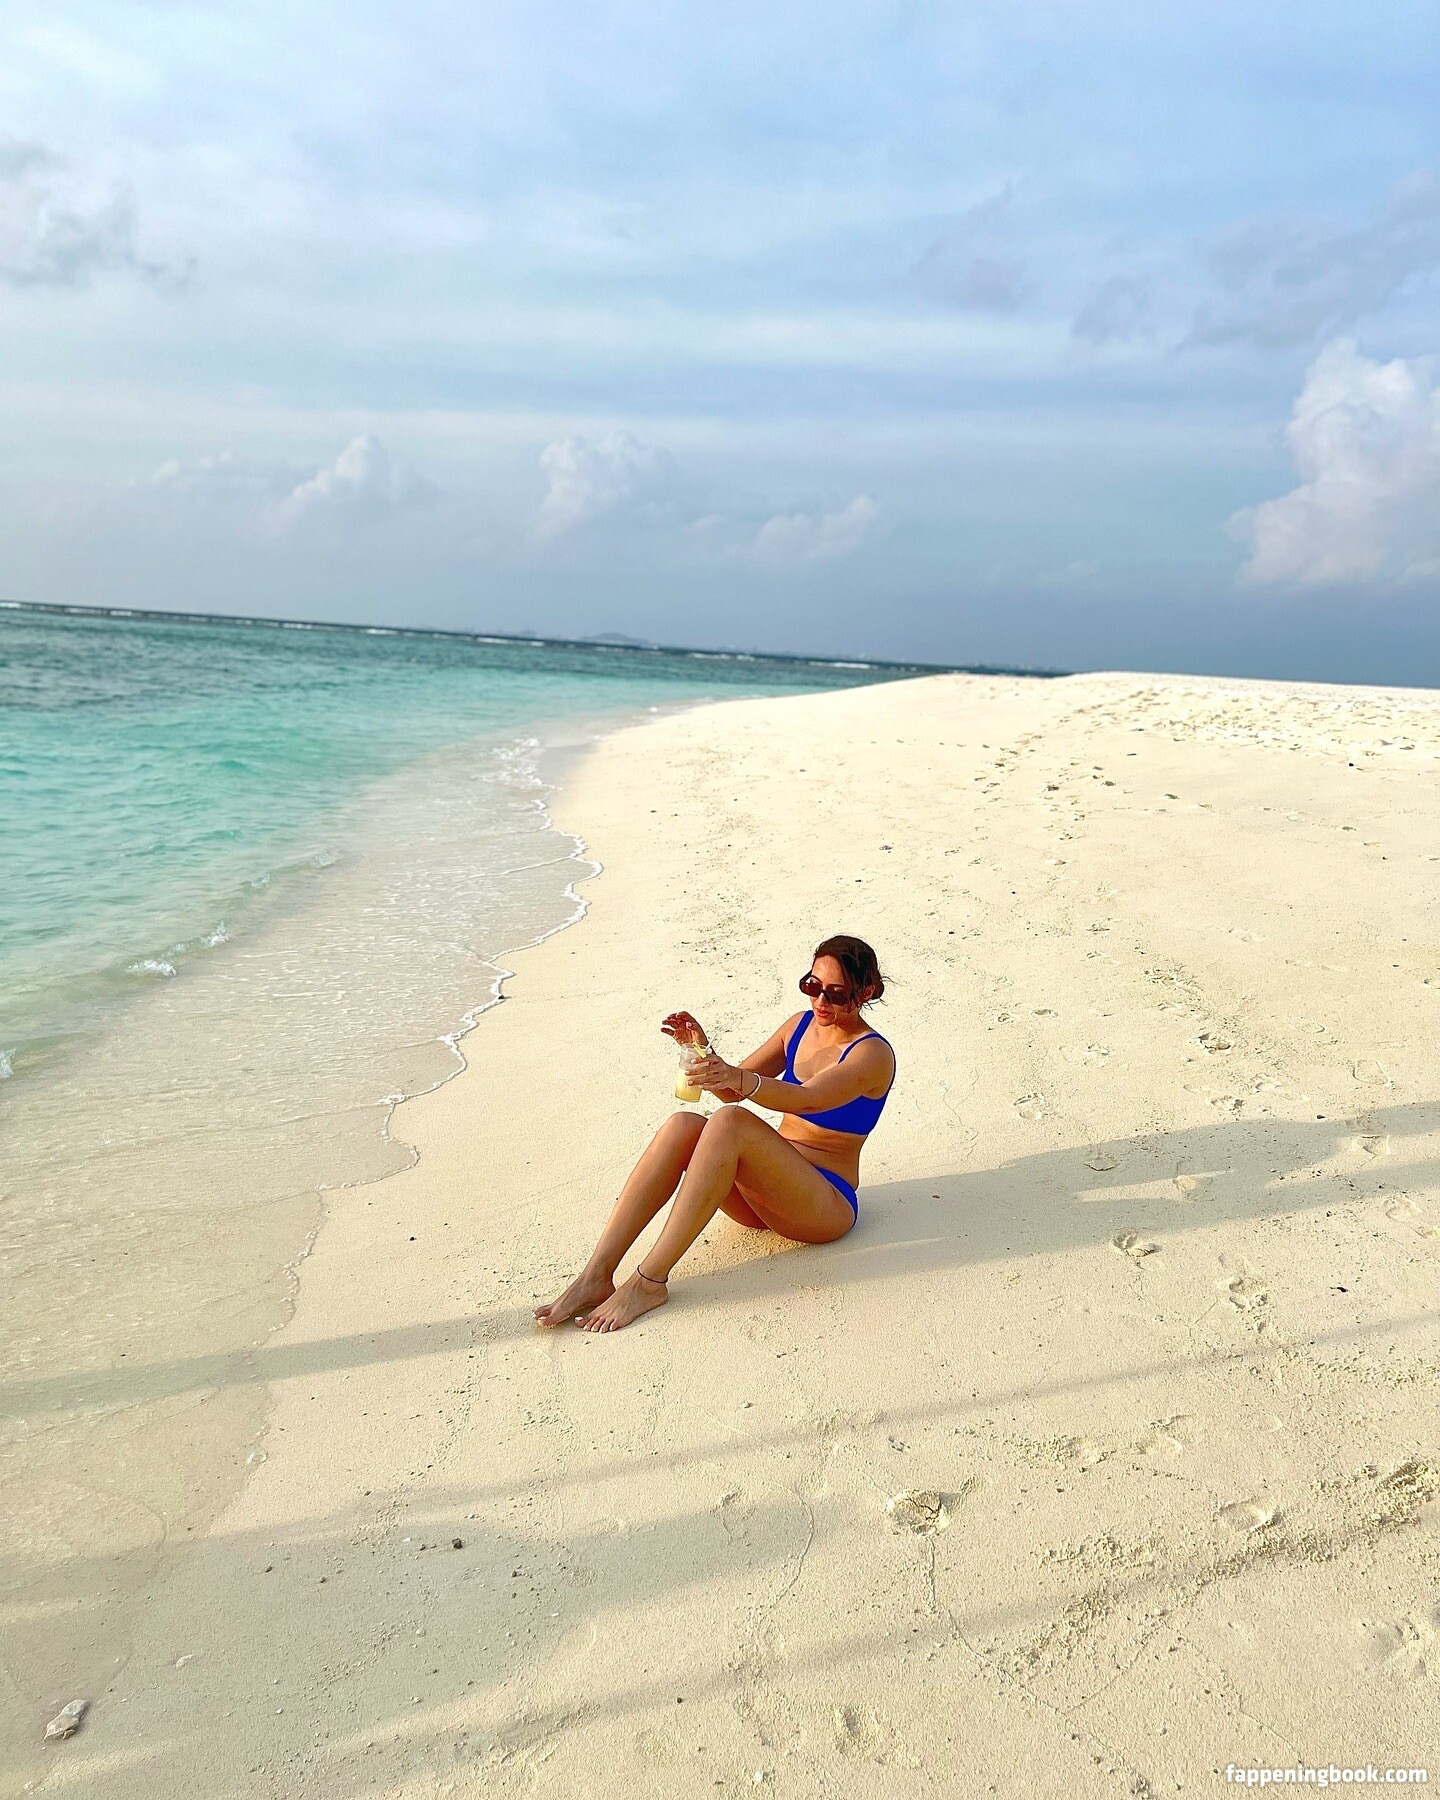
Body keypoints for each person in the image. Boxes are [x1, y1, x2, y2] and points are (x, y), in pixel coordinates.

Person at [535, 935, 896, 1333]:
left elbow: (807, 1099)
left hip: (823, 1205)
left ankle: (649, 1281)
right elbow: (732, 1090)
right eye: (812, 986)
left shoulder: (871, 1054)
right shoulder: (799, 1026)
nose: (820, 1001)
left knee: (729, 1122)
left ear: (865, 992)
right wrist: (704, 1053)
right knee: (684, 1125)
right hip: (767, 1196)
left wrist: (736, 1077)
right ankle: (596, 1275)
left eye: (836, 993)